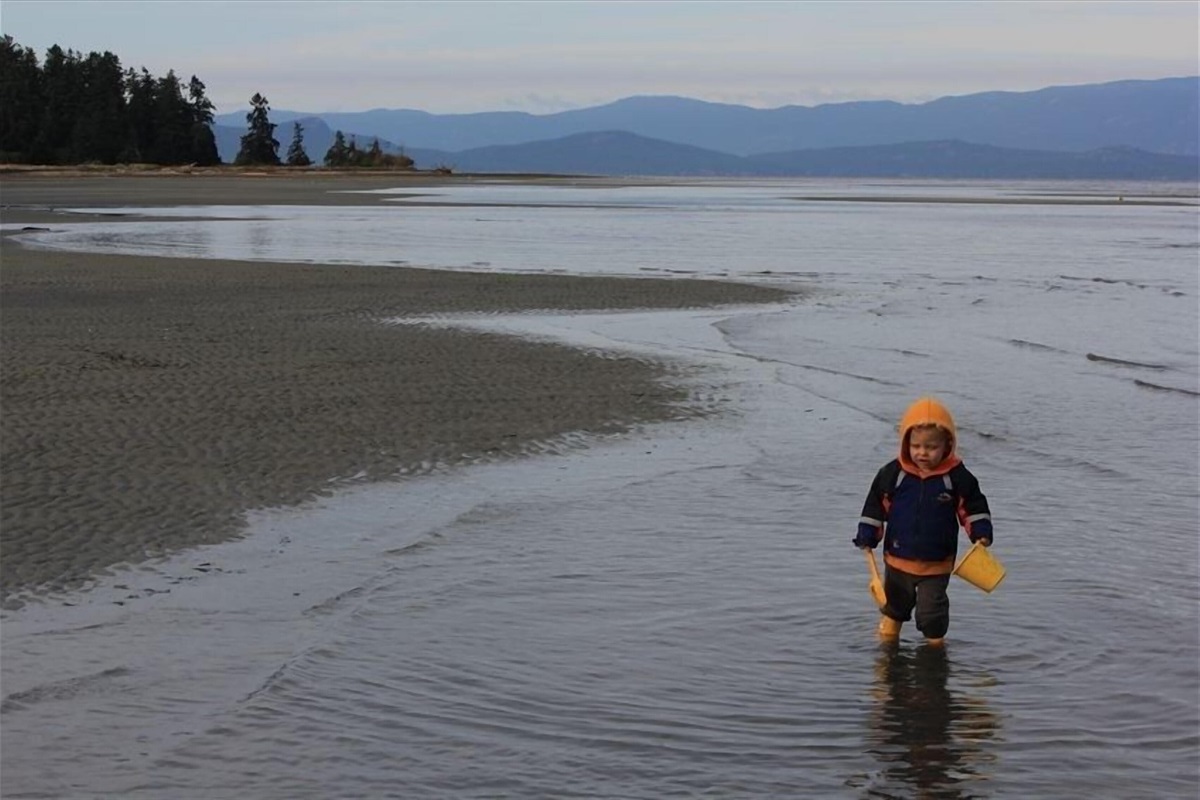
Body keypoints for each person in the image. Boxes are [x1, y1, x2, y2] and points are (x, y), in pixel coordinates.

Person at [854, 397, 993, 645]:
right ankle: (887, 642)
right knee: (894, 606)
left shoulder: (956, 477)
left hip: (937, 563)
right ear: (905, 442)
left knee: (931, 613)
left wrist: (980, 531)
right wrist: (868, 534)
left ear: (947, 444)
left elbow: (973, 506)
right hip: (897, 557)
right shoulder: (893, 474)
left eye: (931, 447)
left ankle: (935, 647)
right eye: (916, 446)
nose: (922, 452)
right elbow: (875, 505)